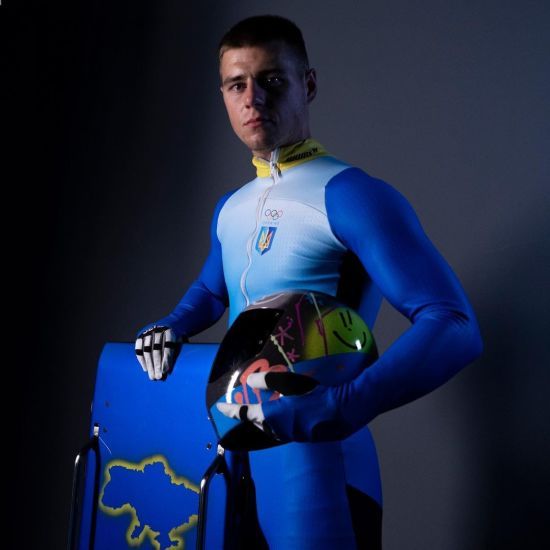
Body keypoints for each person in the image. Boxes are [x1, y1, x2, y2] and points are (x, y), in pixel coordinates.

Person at [135, 14, 483, 549]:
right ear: (223, 95)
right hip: (229, 453)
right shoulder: (231, 208)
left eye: (271, 80)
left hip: (317, 460)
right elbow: (212, 290)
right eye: (236, 84)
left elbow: (455, 325)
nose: (253, 99)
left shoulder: (349, 194)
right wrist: (173, 325)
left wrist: (344, 405)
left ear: (308, 84)